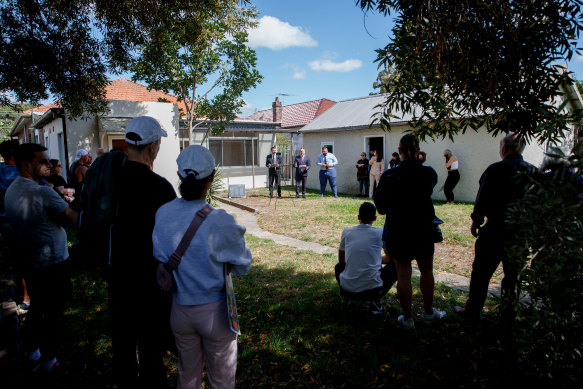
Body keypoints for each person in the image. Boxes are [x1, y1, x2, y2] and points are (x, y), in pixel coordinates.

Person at [153, 145, 252, 389]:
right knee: (221, 380)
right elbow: (243, 264)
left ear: (179, 175)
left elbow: (159, 255)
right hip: (215, 312)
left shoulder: (163, 213)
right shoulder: (220, 220)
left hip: (179, 310)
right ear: (213, 177)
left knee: (187, 376)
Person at [108, 116, 177, 388]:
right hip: (150, 282)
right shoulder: (160, 187)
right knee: (151, 349)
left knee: (122, 346)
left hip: (116, 277)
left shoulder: (110, 181)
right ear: (153, 147)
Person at [5, 143, 79, 373]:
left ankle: (32, 351)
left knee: (38, 308)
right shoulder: (42, 192)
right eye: (43, 161)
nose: (49, 165)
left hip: (30, 259)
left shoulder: (13, 189)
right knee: (53, 313)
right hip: (53, 263)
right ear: (26, 165)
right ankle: (50, 361)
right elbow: (74, 219)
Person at [454, 133, 536, 321]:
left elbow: (482, 197)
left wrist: (476, 220)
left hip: (495, 230)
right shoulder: (533, 172)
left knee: (481, 274)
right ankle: (508, 314)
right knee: (513, 277)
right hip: (519, 233)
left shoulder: (495, 170)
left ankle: (473, 311)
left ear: (505, 148)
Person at [374, 134, 445, 330]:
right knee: (426, 271)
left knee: (403, 275)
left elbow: (379, 204)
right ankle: (429, 313)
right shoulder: (428, 173)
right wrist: (420, 161)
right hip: (423, 229)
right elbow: (429, 181)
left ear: (400, 151)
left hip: (398, 229)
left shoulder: (389, 175)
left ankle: (407, 319)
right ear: (417, 151)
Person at [335, 202, 397, 314]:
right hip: (372, 289)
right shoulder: (380, 233)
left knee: (338, 267)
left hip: (347, 289)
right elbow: (389, 258)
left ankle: (350, 299)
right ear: (375, 218)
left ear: (358, 217)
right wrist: (373, 259)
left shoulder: (347, 232)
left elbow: (341, 261)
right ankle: (375, 301)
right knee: (395, 267)